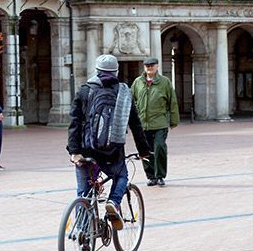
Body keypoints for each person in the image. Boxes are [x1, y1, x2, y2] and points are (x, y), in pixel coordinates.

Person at [67, 54, 151, 230]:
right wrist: (143, 150)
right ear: (116, 72)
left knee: (83, 191)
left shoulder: (84, 90)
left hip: (86, 150)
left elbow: (75, 122)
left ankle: (83, 236)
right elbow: (135, 124)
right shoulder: (124, 92)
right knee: (122, 176)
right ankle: (113, 202)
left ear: (97, 71)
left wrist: (74, 151)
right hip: (112, 152)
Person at [130, 57, 179, 187]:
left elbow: (172, 102)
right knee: (145, 150)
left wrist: (174, 120)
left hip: (160, 123)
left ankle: (160, 175)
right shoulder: (137, 82)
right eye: (147, 66)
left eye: (152, 66)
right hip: (142, 123)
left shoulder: (165, 82)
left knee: (159, 147)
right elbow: (131, 100)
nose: (149, 68)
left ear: (157, 67)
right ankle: (151, 176)